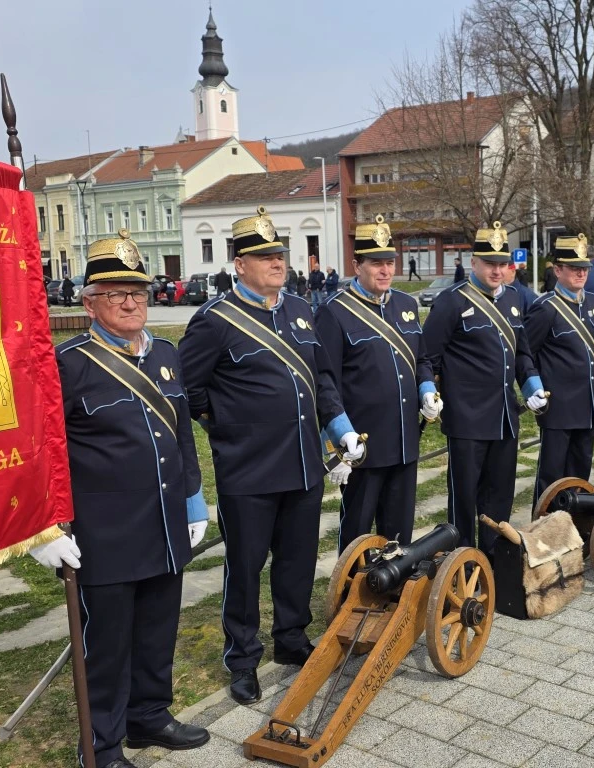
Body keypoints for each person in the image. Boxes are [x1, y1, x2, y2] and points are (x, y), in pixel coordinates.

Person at [34, 230, 210, 768]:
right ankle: (102, 748)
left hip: (164, 524)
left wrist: (193, 499)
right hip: (105, 533)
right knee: (107, 648)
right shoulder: (68, 365)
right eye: (115, 293)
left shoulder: (166, 355)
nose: (131, 302)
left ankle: (148, 717)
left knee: (157, 631)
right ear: (90, 303)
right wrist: (44, 528)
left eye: (138, 291)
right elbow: (40, 450)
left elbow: (181, 435)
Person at [178, 206, 363, 705]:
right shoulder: (214, 321)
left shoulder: (299, 309)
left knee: (297, 559)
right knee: (245, 568)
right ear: (240, 264)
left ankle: (290, 637)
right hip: (249, 470)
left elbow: (321, 377)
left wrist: (340, 427)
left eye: (279, 253)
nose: (277, 262)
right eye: (264, 256)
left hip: (302, 464)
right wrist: (226, 426)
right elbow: (188, 390)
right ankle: (242, 658)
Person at [421, 222, 545, 560]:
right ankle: (462, 563)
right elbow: (427, 357)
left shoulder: (515, 298)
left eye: (502, 264)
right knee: (464, 500)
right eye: (490, 263)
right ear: (473, 262)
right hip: (467, 419)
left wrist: (533, 385)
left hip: (505, 417)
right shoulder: (451, 301)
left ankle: (493, 561)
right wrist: (428, 390)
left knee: (500, 496)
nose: (497, 270)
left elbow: (522, 354)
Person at [317, 216, 440, 551]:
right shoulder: (334, 312)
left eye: (389, 263)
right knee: (356, 534)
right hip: (362, 446)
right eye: (376, 263)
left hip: (404, 441)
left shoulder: (406, 304)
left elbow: (422, 360)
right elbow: (325, 382)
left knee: (399, 534)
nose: (385, 271)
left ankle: (394, 583)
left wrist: (427, 390)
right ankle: (350, 585)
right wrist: (338, 441)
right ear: (357, 265)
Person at [524, 233, 594, 505]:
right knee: (552, 480)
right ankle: (544, 526)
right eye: (574, 268)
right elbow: (524, 354)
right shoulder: (545, 308)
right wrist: (532, 386)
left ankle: (574, 524)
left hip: (588, 407)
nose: (581, 273)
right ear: (558, 270)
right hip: (558, 409)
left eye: (585, 268)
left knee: (580, 478)